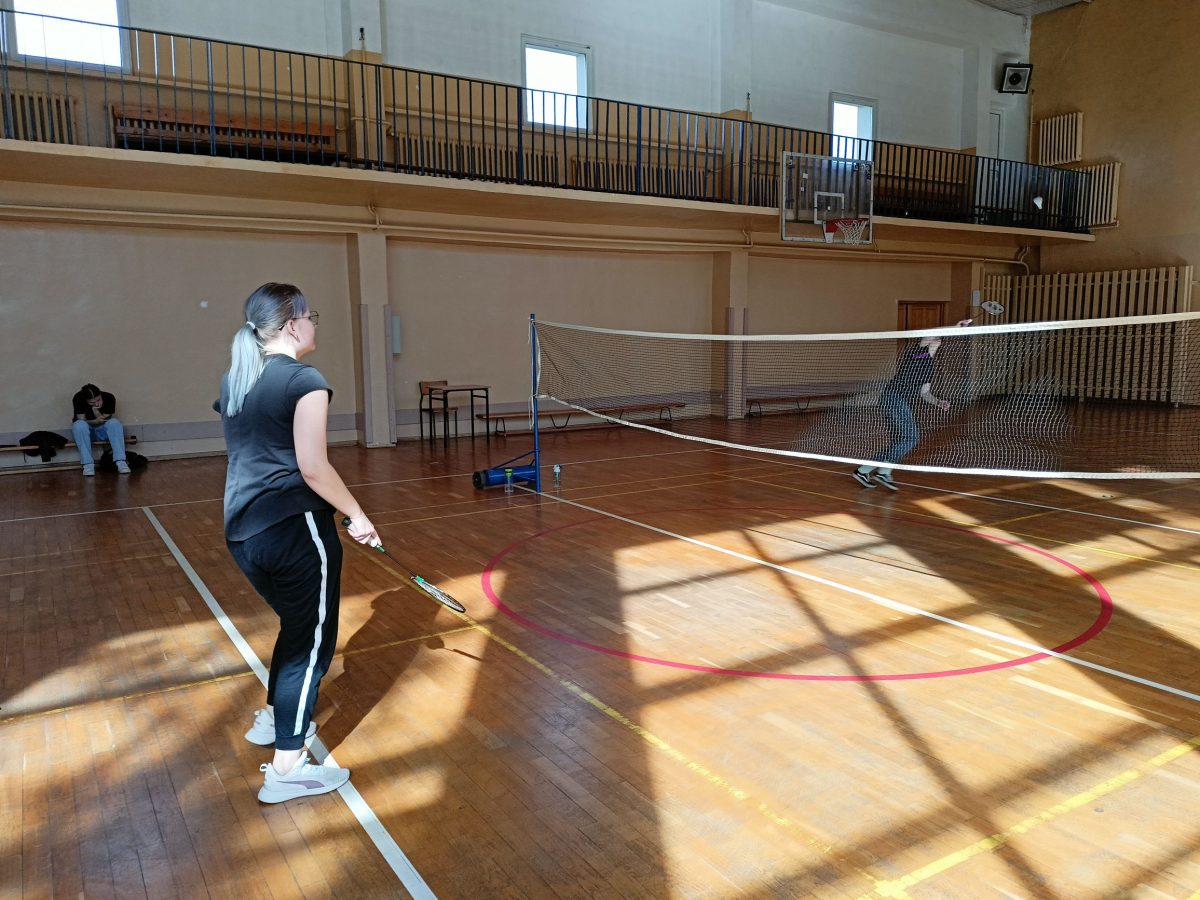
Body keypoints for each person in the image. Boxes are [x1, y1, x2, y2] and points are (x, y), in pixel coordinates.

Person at [216, 282, 381, 804]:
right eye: (312, 317)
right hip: (295, 529)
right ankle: (287, 768)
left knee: (296, 626)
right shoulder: (304, 379)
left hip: (243, 532)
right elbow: (312, 467)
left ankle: (273, 717)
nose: (314, 325)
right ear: (292, 324)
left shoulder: (237, 377)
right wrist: (357, 515)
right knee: (311, 641)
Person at [852, 318, 972, 491]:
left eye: (940, 339)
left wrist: (938, 402)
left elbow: (925, 393)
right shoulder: (917, 352)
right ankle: (883, 472)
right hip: (893, 398)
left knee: (899, 441)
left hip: (896, 400)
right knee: (911, 438)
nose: (938, 339)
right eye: (936, 337)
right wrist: (955, 327)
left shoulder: (930, 366)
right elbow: (932, 333)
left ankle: (864, 471)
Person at [71, 383, 130, 476]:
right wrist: (94, 421)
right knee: (78, 425)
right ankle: (88, 464)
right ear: (86, 400)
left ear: (100, 394)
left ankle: (121, 461)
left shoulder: (109, 397)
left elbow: (102, 419)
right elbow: (81, 420)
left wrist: (95, 410)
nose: (96, 404)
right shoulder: (78, 398)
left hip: (103, 431)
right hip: (87, 432)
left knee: (114, 422)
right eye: (92, 402)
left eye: (98, 400)